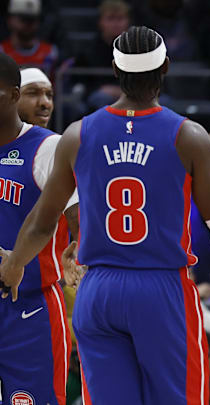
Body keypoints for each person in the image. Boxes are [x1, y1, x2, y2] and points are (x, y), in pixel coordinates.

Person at [0, 26, 210, 405]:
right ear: (166, 67)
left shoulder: (77, 134)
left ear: (115, 70)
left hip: (99, 291)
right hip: (160, 289)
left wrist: (14, 264)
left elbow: (42, 222)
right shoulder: (188, 135)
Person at [0, 53, 76, 405]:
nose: (44, 102)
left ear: (11, 94)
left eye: (48, 94)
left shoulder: (48, 146)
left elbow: (80, 218)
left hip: (29, 306)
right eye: (36, 93)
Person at [73, 0, 131, 111]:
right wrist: (101, 89)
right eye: (110, 18)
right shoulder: (87, 51)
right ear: (100, 22)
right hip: (99, 96)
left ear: (128, 21)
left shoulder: (138, 49)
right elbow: (81, 84)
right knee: (100, 98)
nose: (115, 24)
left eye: (120, 19)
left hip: (133, 95)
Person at [1, 0, 59, 74]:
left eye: (32, 19)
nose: (28, 24)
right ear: (10, 20)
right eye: (23, 19)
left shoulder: (50, 53)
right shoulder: (2, 52)